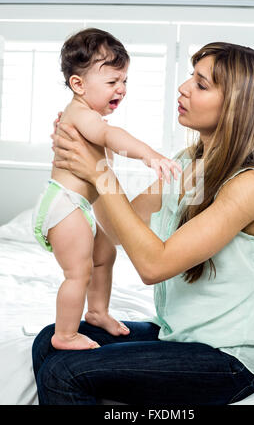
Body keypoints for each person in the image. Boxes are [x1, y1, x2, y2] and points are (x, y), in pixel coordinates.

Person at [32, 42, 254, 405]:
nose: (184, 88)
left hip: (229, 356)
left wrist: (100, 172)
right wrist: (88, 165)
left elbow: (154, 265)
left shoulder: (252, 184)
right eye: (190, 77)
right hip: (181, 334)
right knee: (50, 340)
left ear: (235, 105)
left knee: (63, 373)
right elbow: (120, 227)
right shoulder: (189, 164)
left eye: (200, 84)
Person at [31, 28, 181, 351]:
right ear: (79, 84)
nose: (122, 89)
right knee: (78, 271)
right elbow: (112, 138)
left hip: (79, 206)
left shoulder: (86, 116)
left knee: (105, 254)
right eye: (112, 82)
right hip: (65, 205)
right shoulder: (81, 114)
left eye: (124, 81)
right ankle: (65, 334)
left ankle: (97, 311)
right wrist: (148, 154)